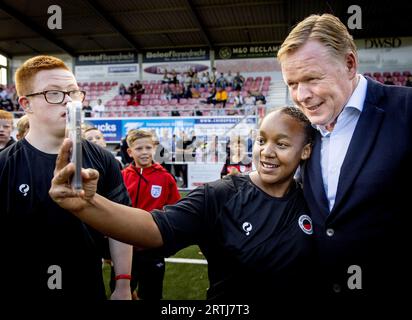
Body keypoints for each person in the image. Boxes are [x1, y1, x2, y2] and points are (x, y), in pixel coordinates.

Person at [49, 106, 316, 301]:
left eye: (281, 144)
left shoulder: (315, 200)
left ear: (305, 150)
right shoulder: (222, 194)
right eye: (261, 140)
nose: (267, 151)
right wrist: (86, 204)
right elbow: (154, 227)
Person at [277, 13, 412, 298]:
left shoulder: (406, 110)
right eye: (292, 84)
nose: (302, 95)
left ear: (349, 64)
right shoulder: (303, 129)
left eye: (312, 78)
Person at [0, 55, 132, 300]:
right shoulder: (4, 165)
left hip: (87, 288)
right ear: (26, 104)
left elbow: (120, 225)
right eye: (54, 93)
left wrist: (123, 283)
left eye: (73, 92)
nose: (69, 102)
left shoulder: (104, 160)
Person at [121, 129, 180, 300]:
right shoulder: (122, 176)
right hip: (126, 246)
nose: (145, 152)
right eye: (139, 149)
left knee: (152, 293)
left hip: (153, 246)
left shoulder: (165, 177)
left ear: (154, 149)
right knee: (120, 290)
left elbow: (174, 210)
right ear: (130, 152)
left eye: (148, 147)